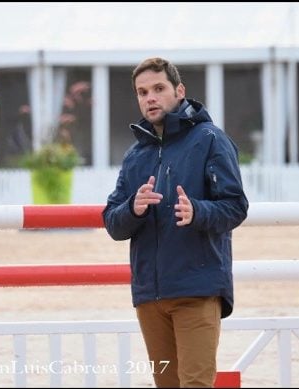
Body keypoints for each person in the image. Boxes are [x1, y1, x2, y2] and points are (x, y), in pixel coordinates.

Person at [102, 57, 248, 388]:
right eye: (142, 92)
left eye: (158, 88)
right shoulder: (135, 155)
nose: (149, 98)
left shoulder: (211, 139)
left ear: (179, 91)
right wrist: (133, 208)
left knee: (195, 384)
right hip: (149, 297)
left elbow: (235, 206)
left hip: (197, 290)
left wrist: (198, 211)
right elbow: (112, 223)